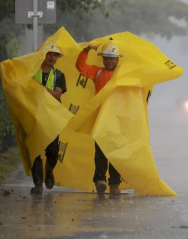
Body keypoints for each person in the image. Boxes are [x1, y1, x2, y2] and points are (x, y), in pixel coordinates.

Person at [76, 40, 122, 195]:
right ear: (102, 59)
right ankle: (100, 180)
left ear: (117, 60)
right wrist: (85, 51)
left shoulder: (123, 74)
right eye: (106, 58)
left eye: (112, 58)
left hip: (117, 120)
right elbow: (80, 67)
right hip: (100, 119)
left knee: (116, 152)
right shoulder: (97, 73)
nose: (109, 61)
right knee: (101, 150)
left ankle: (115, 183)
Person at [31, 43, 67, 194]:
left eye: (55, 55)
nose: (52, 57)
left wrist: (39, 87)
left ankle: (49, 171)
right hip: (35, 114)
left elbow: (57, 94)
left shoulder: (59, 75)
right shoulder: (32, 72)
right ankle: (38, 183)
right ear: (44, 55)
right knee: (34, 150)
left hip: (52, 115)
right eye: (49, 54)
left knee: (53, 149)